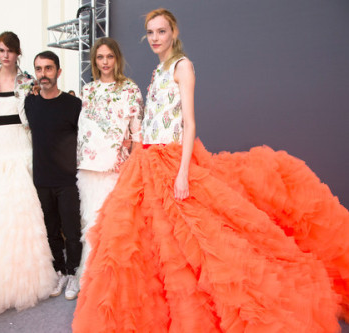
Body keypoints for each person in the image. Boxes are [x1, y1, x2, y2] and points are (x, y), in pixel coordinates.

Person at [73, 8, 346, 332]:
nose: (155, 38)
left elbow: (189, 124)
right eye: (150, 33)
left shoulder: (182, 66)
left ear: (173, 33)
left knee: (197, 241)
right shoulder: (159, 71)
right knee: (149, 241)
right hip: (146, 160)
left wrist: (183, 173)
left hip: (172, 160)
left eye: (161, 32)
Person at [0, 31, 56, 315]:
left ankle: (24, 276)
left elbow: (39, 114)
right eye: (1, 50)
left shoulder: (28, 81)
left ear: (17, 52)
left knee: (22, 212)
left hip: (20, 145)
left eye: (10, 50)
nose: (5, 55)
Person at [76, 37, 143, 279]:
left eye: (109, 56)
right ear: (95, 60)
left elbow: (138, 134)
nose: (105, 62)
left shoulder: (130, 90)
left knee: (116, 227)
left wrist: (131, 169)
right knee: (91, 225)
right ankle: (92, 279)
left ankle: (114, 281)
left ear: (117, 59)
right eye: (100, 57)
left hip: (117, 170)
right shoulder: (88, 90)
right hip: (89, 169)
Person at [24, 51, 83, 300]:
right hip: (42, 179)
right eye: (39, 69)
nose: (43, 74)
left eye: (49, 69)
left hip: (68, 179)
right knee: (50, 230)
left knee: (71, 231)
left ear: (58, 72)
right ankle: (59, 271)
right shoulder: (30, 103)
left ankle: (73, 274)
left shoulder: (74, 105)